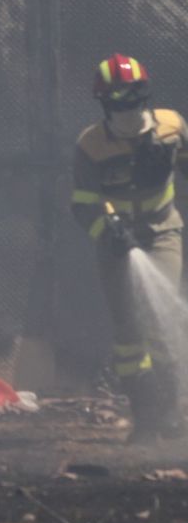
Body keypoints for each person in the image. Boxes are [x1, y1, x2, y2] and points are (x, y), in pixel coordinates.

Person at [71, 53, 187, 442]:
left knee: (162, 319)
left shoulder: (172, 128)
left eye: (134, 98)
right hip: (117, 246)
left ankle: (173, 414)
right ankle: (145, 416)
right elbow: (84, 204)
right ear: (104, 104)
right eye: (118, 102)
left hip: (161, 233)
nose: (128, 110)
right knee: (129, 334)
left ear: (145, 94)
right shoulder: (91, 145)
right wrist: (109, 230)